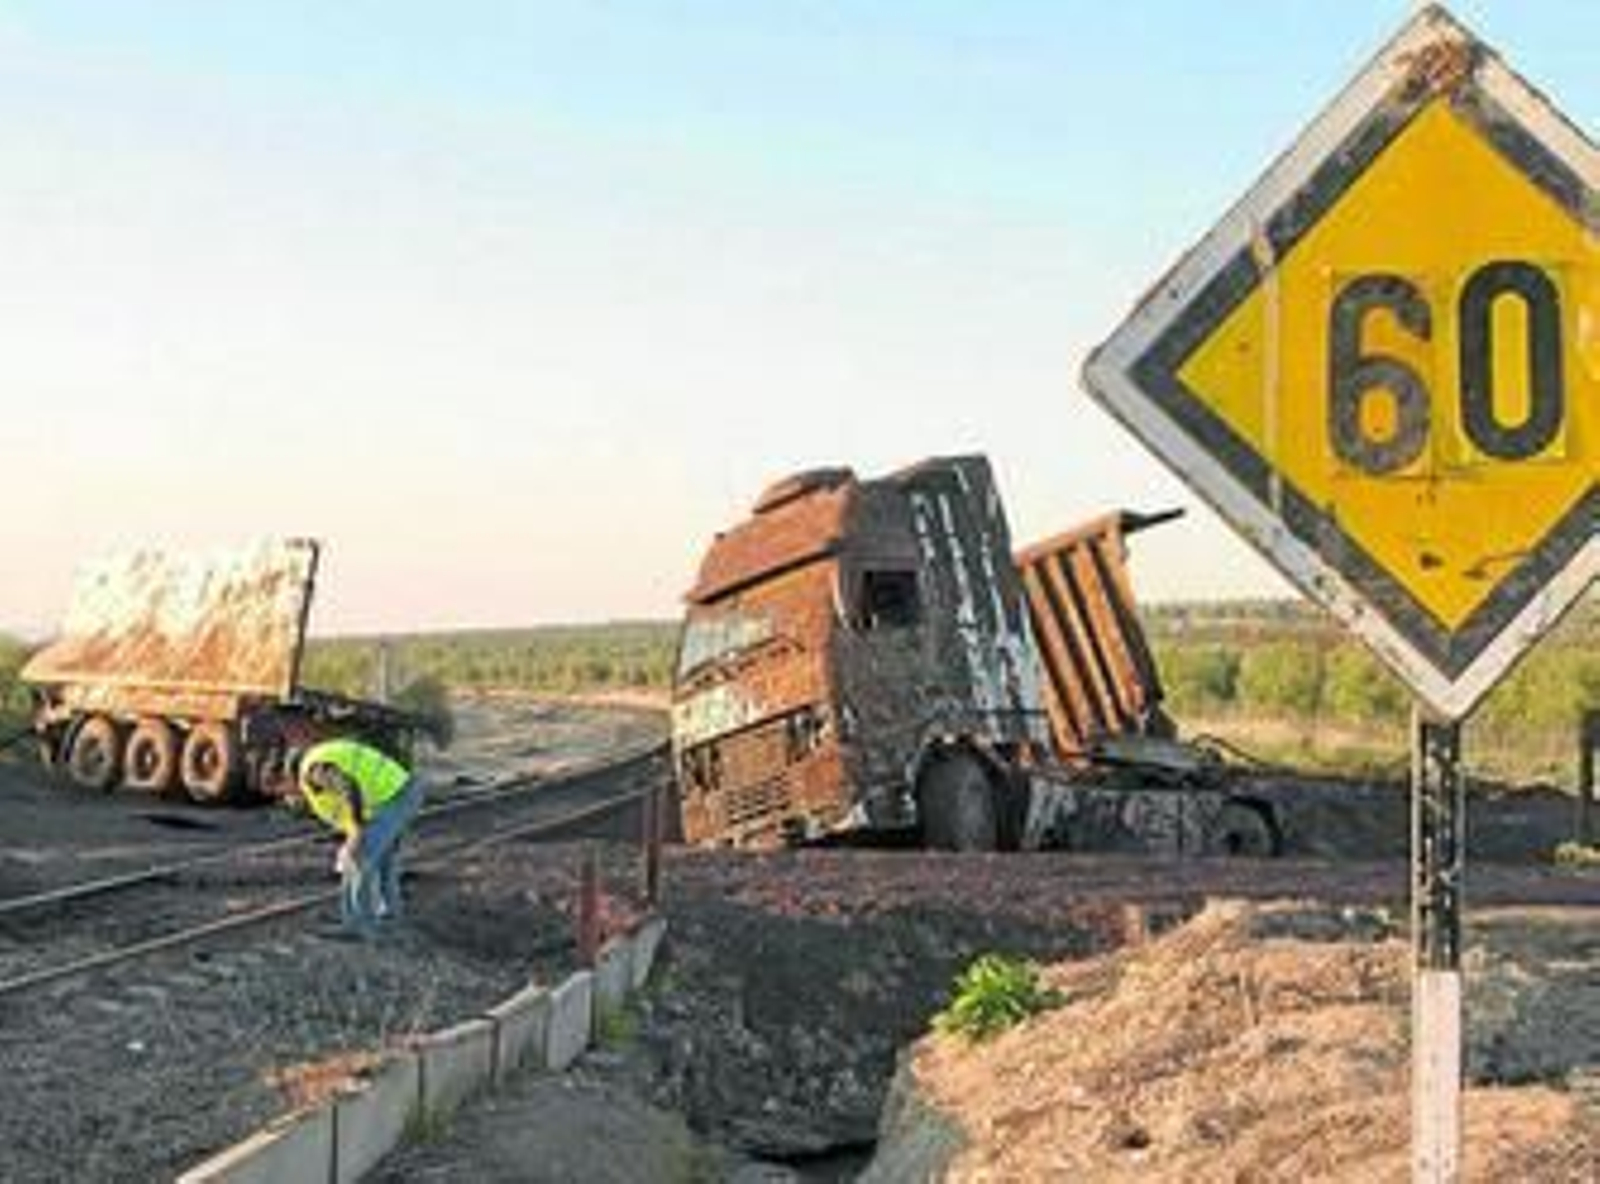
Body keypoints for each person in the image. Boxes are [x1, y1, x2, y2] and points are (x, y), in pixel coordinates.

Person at [296, 738, 425, 938]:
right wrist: (351, 835)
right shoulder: (319, 760)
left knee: (358, 859)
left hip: (395, 797)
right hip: (404, 790)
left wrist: (356, 832)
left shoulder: (313, 772)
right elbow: (347, 803)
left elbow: (348, 786)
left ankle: (357, 926)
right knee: (384, 861)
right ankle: (389, 917)